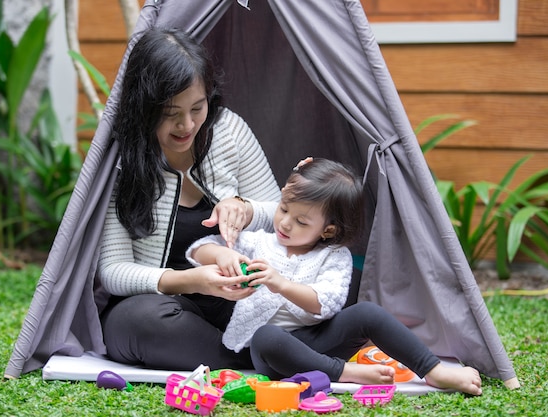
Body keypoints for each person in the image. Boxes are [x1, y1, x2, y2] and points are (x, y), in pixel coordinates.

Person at [187, 157, 483, 396]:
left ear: (327, 230)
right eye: (283, 209)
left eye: (301, 221)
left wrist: (281, 284)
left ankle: (432, 369)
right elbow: (199, 249)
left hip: (316, 340)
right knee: (267, 335)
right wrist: (222, 255)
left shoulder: (333, 257)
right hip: (271, 353)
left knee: (367, 312)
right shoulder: (258, 242)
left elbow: (325, 304)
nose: (285, 223)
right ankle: (344, 372)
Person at [97, 26, 281, 371]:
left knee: (344, 276)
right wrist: (192, 281)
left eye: (197, 108)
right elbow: (112, 270)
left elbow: (281, 216)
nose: (187, 125)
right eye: (170, 113)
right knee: (139, 322)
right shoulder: (120, 160)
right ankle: (273, 354)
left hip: (238, 299)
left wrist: (247, 209)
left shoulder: (229, 130)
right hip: (166, 304)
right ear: (144, 108)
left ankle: (264, 351)